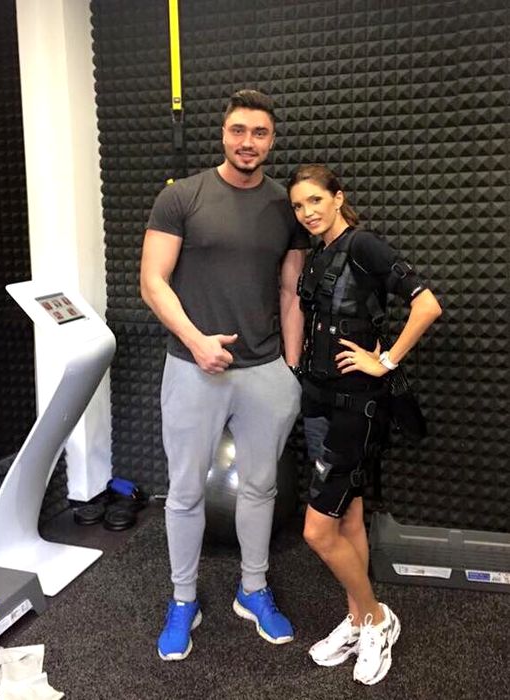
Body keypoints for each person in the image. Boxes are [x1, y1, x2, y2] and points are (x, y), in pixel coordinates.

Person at [140, 89, 308, 661]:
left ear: (272, 140)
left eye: (259, 133)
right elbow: (153, 282)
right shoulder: (181, 197)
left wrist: (290, 368)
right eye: (239, 130)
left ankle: (252, 589)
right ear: (223, 133)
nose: (247, 142)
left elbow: (291, 290)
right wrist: (196, 341)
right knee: (185, 492)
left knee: (261, 487)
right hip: (193, 368)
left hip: (265, 371)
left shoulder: (285, 206)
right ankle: (183, 599)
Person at [287, 164, 442, 685]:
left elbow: (427, 305)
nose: (307, 212)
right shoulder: (318, 255)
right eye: (298, 205)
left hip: (357, 406)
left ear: (338, 197)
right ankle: (356, 619)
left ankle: (377, 618)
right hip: (319, 402)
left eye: (315, 200)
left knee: (317, 530)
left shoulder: (364, 245)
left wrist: (387, 360)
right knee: (348, 518)